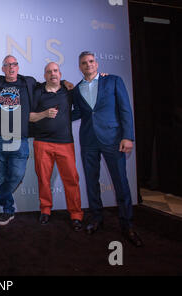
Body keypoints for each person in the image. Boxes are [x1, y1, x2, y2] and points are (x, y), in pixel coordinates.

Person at [72, 51, 142, 247]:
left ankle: (127, 225)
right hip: (88, 141)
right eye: (84, 63)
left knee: (120, 182)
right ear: (80, 67)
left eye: (91, 61)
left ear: (97, 63)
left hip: (113, 139)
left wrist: (128, 136)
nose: (88, 65)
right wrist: (55, 116)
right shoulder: (77, 90)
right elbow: (77, 113)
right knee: (92, 182)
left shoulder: (113, 81)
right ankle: (96, 219)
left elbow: (125, 109)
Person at [29, 62, 83, 231]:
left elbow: (81, 110)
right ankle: (45, 210)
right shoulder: (38, 91)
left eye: (55, 71)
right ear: (44, 76)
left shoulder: (69, 91)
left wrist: (66, 118)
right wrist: (45, 114)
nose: (52, 74)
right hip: (42, 143)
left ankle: (76, 214)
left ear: (60, 74)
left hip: (65, 143)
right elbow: (29, 117)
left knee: (72, 180)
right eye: (48, 72)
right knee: (44, 180)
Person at [0, 55, 36, 226]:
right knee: (0, 176)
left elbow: (49, 85)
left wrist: (65, 83)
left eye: (14, 64)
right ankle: (8, 210)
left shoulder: (28, 82)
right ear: (3, 69)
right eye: (8, 65)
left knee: (16, 174)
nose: (12, 68)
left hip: (19, 138)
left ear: (18, 67)